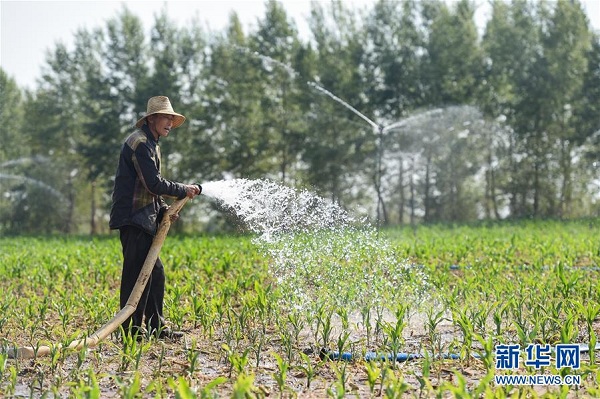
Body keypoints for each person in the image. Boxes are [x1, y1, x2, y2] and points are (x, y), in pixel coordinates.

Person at [109, 96, 201, 340]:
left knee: (155, 273)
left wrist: (162, 211)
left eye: (172, 118)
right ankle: (132, 331)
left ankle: (155, 327)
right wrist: (184, 189)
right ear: (151, 119)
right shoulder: (139, 143)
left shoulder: (152, 144)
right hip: (133, 218)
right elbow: (153, 183)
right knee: (135, 274)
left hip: (144, 217)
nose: (170, 122)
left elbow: (149, 189)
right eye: (165, 117)